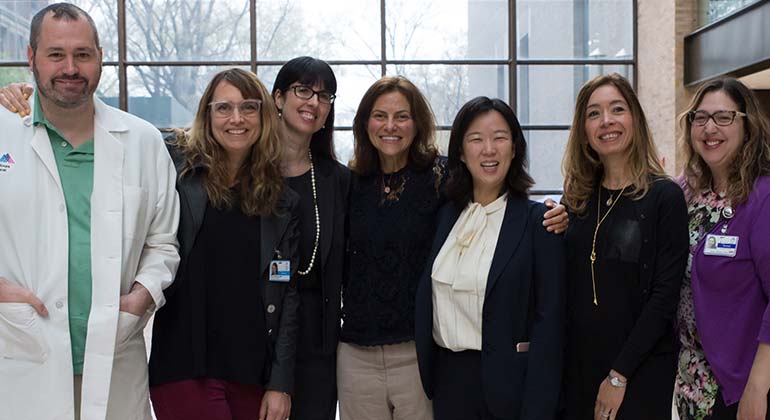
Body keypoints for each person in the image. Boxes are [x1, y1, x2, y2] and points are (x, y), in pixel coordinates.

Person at [0, 3, 180, 420]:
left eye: (83, 54)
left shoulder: (142, 141)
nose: (70, 68)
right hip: (20, 353)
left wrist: (143, 295)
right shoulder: (5, 132)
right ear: (31, 58)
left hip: (115, 353)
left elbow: (164, 242)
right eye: (56, 54)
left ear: (100, 58)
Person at [147, 68, 299, 420]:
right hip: (185, 365)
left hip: (251, 372)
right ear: (207, 114)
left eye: (248, 107)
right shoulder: (175, 166)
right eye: (223, 108)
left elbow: (287, 295)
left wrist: (281, 383)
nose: (236, 119)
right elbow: (108, 131)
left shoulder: (281, 201)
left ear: (263, 116)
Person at [414, 96, 566, 420]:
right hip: (448, 383)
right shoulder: (445, 217)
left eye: (499, 138)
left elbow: (549, 326)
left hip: (510, 388)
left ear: (514, 148)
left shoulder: (540, 222)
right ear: (460, 151)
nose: (489, 150)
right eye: (476, 139)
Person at [560, 73, 688, 420]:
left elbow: (664, 297)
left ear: (634, 118)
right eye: (594, 113)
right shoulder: (576, 199)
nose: (607, 122)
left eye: (617, 109)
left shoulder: (665, 197)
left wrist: (619, 376)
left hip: (639, 371)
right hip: (578, 369)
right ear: (584, 130)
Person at [674, 77, 770, 420]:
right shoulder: (683, 191)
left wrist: (758, 387)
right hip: (687, 380)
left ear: (747, 124)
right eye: (699, 118)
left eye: (723, 117)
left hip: (740, 383)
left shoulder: (763, 198)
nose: (709, 128)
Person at [271, 56, 350, 420]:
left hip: (318, 341)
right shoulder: (249, 173)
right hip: (257, 332)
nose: (313, 102)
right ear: (278, 98)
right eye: (303, 90)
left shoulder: (338, 180)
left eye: (324, 95)